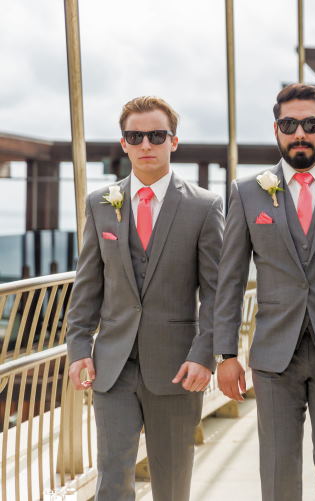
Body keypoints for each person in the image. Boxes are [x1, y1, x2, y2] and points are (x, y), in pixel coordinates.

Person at [65, 96, 224, 501]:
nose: (146, 144)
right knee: (112, 479)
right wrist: (79, 347)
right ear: (124, 143)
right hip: (112, 365)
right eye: (135, 136)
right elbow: (87, 284)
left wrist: (205, 354)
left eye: (156, 135)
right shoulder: (100, 204)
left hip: (176, 366)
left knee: (171, 484)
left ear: (174, 141)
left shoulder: (204, 207)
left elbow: (217, 292)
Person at [213, 83, 315, 501]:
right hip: (274, 357)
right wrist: (226, 355)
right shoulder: (248, 191)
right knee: (277, 473)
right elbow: (231, 278)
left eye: (309, 124)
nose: (300, 133)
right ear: (276, 129)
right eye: (289, 124)